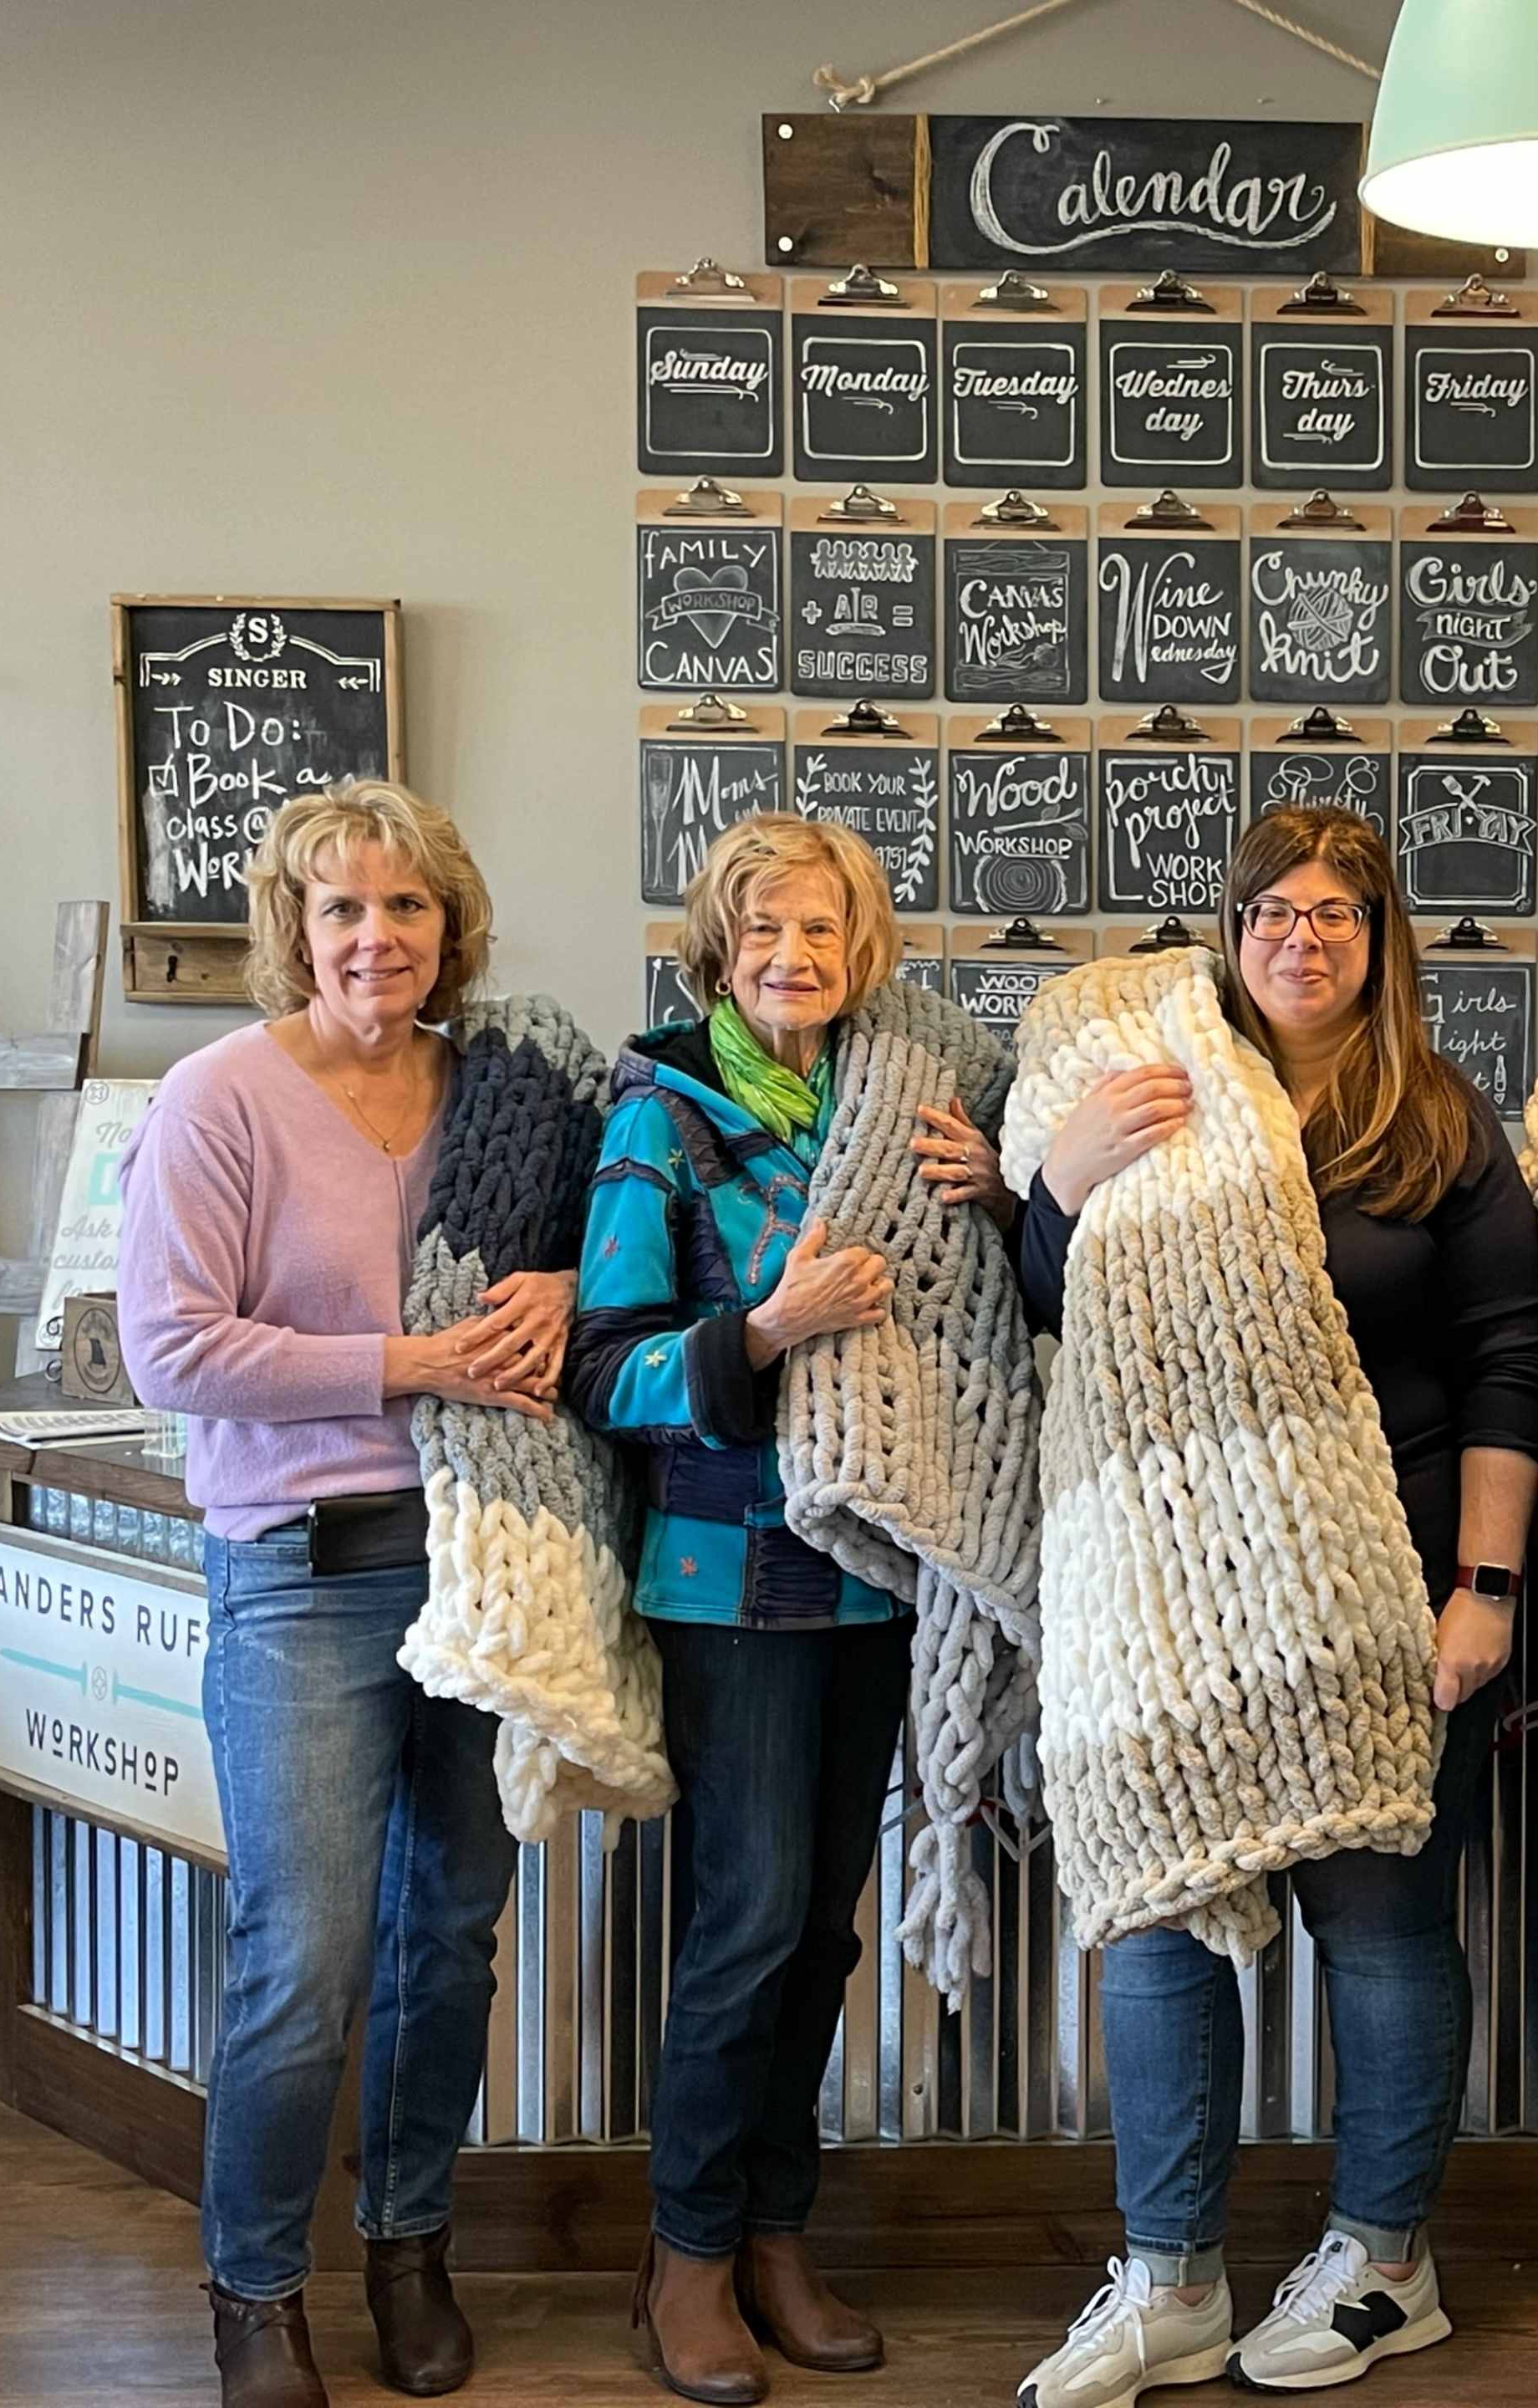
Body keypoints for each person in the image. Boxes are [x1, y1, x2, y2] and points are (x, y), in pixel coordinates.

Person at [1011, 806, 1538, 2405]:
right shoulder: (1147, 1084)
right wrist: (1060, 1175)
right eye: (1271, 912)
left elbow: (1505, 1362)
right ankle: (1170, 2278)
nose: (1300, 939)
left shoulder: (1439, 1122)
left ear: (1380, 942)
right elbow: (1047, 1308)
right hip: (1175, 1599)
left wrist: (1486, 1590)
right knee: (1161, 1921)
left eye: (1336, 913)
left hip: (1385, 1589)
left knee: (1380, 1931)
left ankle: (1391, 2263)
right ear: (1232, 931)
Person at [119, 782, 572, 2408]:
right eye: (341, 910)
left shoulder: (509, 1092)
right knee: (301, 1956)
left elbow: (607, 1249)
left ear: (450, 930)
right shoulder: (219, 1096)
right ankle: (254, 2291)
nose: (376, 938)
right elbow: (171, 1348)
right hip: (300, 1577)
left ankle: (410, 2246)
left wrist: (571, 1282)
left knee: (448, 1940)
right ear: (293, 931)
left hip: (486, 1566)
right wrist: (411, 1361)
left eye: (406, 909)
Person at [565, 815, 1006, 2405]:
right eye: (763, 935)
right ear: (718, 949)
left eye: (819, 932)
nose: (793, 960)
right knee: (745, 1920)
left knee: (825, 1923)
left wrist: (1006, 1195)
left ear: (860, 947)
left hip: (881, 1570)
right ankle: (682, 2258)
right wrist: (764, 1330)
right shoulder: (663, 1110)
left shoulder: (911, 1104)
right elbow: (604, 1364)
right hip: (726, 1577)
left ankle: (775, 2234)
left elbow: (993, 1313)